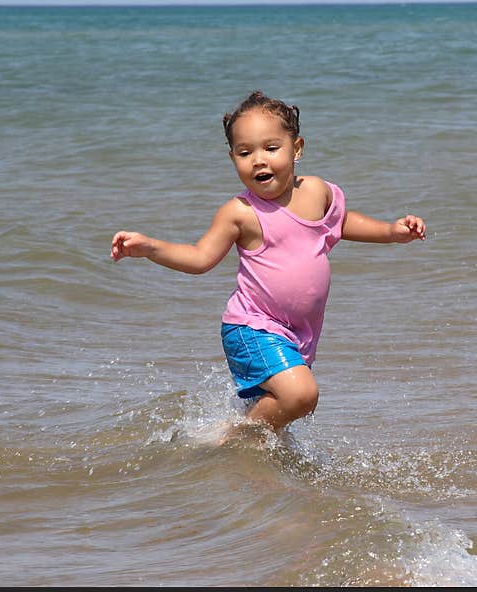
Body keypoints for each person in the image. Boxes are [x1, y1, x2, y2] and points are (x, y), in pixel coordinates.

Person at [111, 91, 426, 434]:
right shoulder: (240, 213)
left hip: (297, 334)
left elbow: (343, 222)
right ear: (232, 158)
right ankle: (231, 437)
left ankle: (246, 457)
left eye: (271, 148)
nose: (258, 160)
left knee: (278, 424)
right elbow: (201, 258)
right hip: (251, 327)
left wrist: (391, 231)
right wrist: (150, 247)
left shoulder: (316, 192)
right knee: (301, 395)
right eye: (245, 153)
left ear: (297, 148)